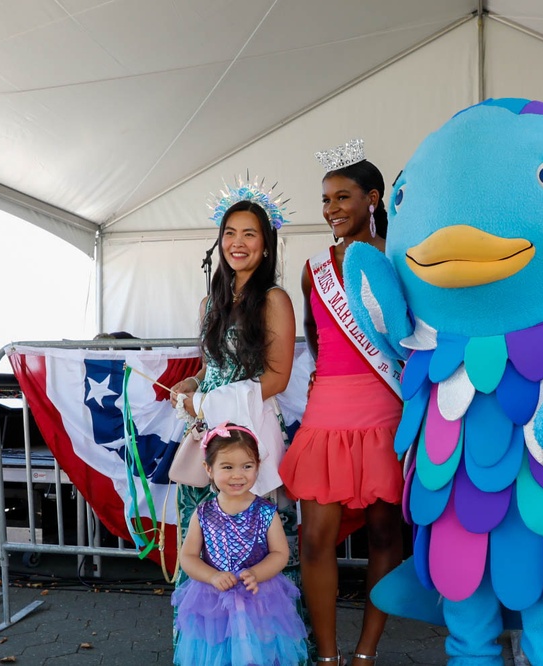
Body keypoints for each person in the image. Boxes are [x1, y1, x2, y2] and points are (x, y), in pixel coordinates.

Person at [279, 140, 405, 665]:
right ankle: (328, 656)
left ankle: (365, 654)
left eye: (342, 197)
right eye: (326, 199)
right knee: (315, 540)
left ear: (372, 198)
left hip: (384, 405)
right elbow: (314, 335)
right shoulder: (314, 270)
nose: (331, 208)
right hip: (329, 408)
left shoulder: (400, 260)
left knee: (384, 536)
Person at [168, 181, 303, 659]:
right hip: (209, 448)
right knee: (202, 553)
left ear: (266, 245)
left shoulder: (274, 300)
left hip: (250, 442)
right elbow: (212, 367)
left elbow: (278, 376)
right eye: (230, 232)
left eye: (250, 234)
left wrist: (210, 404)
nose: (238, 243)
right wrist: (192, 386)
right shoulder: (211, 303)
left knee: (256, 556)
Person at [172, 424, 309, 665]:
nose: (238, 475)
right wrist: (213, 576)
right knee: (216, 653)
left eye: (247, 466)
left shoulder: (266, 512)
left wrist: (257, 573)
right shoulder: (203, 513)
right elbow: (189, 557)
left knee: (260, 651)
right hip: (214, 600)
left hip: (259, 598)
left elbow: (279, 553)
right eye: (227, 467)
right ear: (209, 469)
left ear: (258, 466)